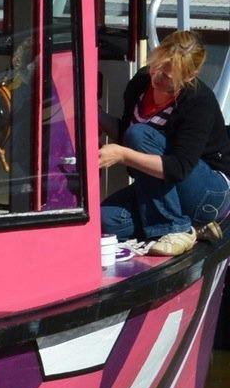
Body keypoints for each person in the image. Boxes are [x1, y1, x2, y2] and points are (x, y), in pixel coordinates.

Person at [99, 30, 230, 257]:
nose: (156, 76)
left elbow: (178, 168)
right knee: (103, 221)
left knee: (139, 135)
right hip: (163, 190)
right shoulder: (139, 83)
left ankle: (175, 228)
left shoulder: (199, 102)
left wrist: (123, 155)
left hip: (208, 191)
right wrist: (95, 115)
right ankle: (191, 227)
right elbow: (125, 133)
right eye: (156, 65)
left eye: (167, 76)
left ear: (190, 77)